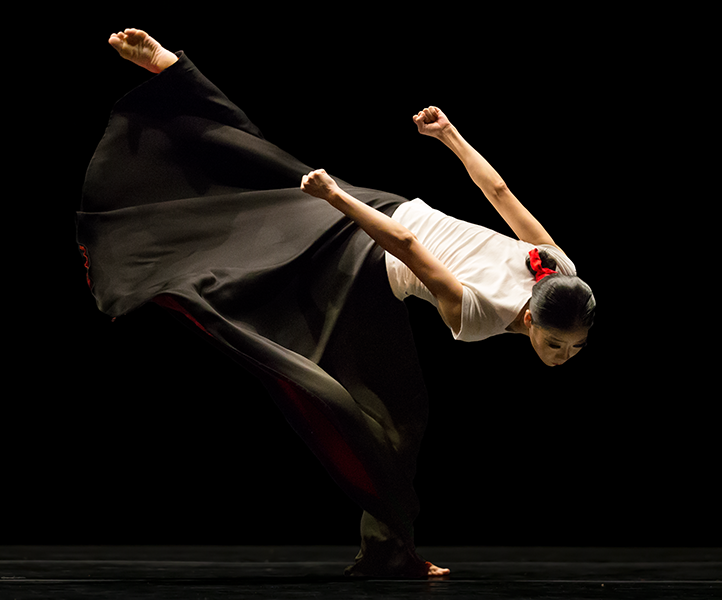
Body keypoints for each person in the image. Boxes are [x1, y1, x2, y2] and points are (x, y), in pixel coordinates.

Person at [78, 29, 594, 578]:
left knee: (269, 171)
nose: (562, 355)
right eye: (555, 343)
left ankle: (388, 549)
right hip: (366, 249)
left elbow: (500, 195)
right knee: (385, 413)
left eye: (574, 349)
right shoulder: (480, 318)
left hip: (387, 208)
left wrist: (450, 137)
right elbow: (406, 246)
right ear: (531, 317)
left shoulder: (559, 268)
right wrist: (336, 199)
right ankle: (160, 128)